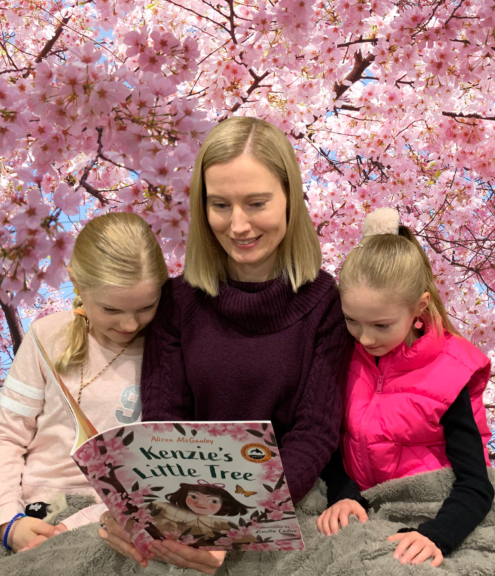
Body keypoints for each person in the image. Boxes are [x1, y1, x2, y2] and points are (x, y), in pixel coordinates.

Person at [100, 116, 352, 574]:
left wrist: (232, 525)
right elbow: (163, 423)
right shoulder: (176, 303)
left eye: (256, 203)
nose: (238, 225)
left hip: (286, 498)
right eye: (220, 205)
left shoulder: (327, 306)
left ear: (291, 199)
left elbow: (313, 435)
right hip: (183, 497)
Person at [317, 207, 495, 567]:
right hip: (362, 506)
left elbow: (477, 483)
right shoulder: (341, 352)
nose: (364, 338)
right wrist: (344, 494)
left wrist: (435, 536)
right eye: (352, 320)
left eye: (381, 325)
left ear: (419, 308)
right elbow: (326, 440)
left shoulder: (451, 372)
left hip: (435, 512)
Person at [0, 212, 168, 553]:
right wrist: (7, 519)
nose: (129, 324)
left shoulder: (171, 349)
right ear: (77, 283)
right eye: (110, 309)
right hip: (33, 513)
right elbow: (6, 436)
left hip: (118, 519)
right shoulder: (47, 336)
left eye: (146, 307)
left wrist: (77, 526)